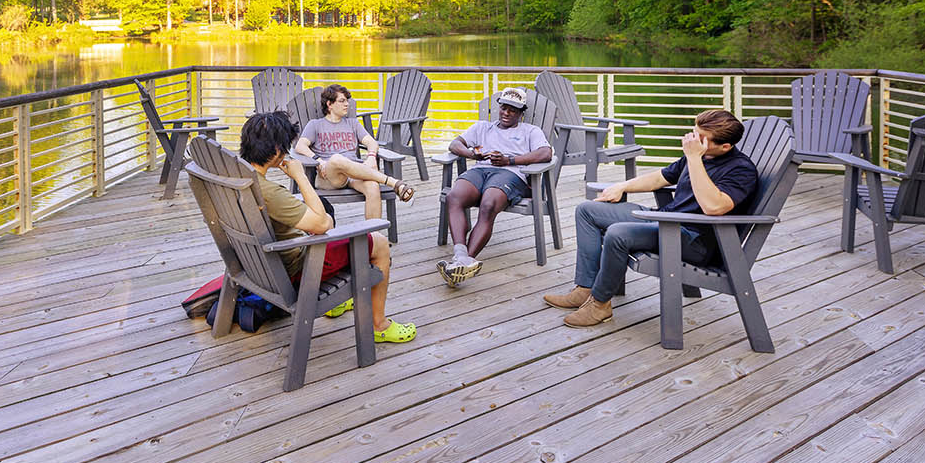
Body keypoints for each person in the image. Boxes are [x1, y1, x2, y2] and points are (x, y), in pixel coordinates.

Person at [544, 109, 758, 328]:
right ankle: (585, 289)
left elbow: (714, 207)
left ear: (725, 146)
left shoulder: (741, 170)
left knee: (618, 233)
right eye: (694, 133)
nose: (692, 141)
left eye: (701, 138)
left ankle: (600, 305)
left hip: (692, 240)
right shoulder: (702, 154)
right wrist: (622, 186)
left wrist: (694, 158)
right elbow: (660, 178)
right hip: (666, 222)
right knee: (587, 210)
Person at [239, 112, 416, 343]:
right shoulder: (269, 193)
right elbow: (322, 225)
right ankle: (379, 325)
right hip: (299, 269)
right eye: (285, 147)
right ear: (275, 150)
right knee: (379, 242)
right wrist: (300, 176)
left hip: (261, 266)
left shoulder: (238, 178)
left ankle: (339, 305)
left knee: (328, 222)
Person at [439, 87, 553, 285]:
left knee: (489, 204)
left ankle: (466, 260)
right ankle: (460, 256)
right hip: (480, 170)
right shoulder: (482, 127)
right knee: (454, 197)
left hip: (511, 174)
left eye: (513, 110)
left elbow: (546, 153)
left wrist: (510, 160)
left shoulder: (530, 131)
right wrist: (472, 154)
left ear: (521, 113)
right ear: (498, 107)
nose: (507, 113)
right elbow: (454, 144)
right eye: (504, 108)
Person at [293, 84, 416, 220]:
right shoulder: (315, 124)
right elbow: (300, 146)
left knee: (373, 186)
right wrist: (318, 160)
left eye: (347, 101)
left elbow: (371, 142)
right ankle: (394, 183)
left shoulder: (353, 123)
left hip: (354, 174)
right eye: (342, 101)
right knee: (336, 159)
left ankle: (374, 237)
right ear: (329, 104)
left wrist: (370, 156)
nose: (347, 104)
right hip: (329, 175)